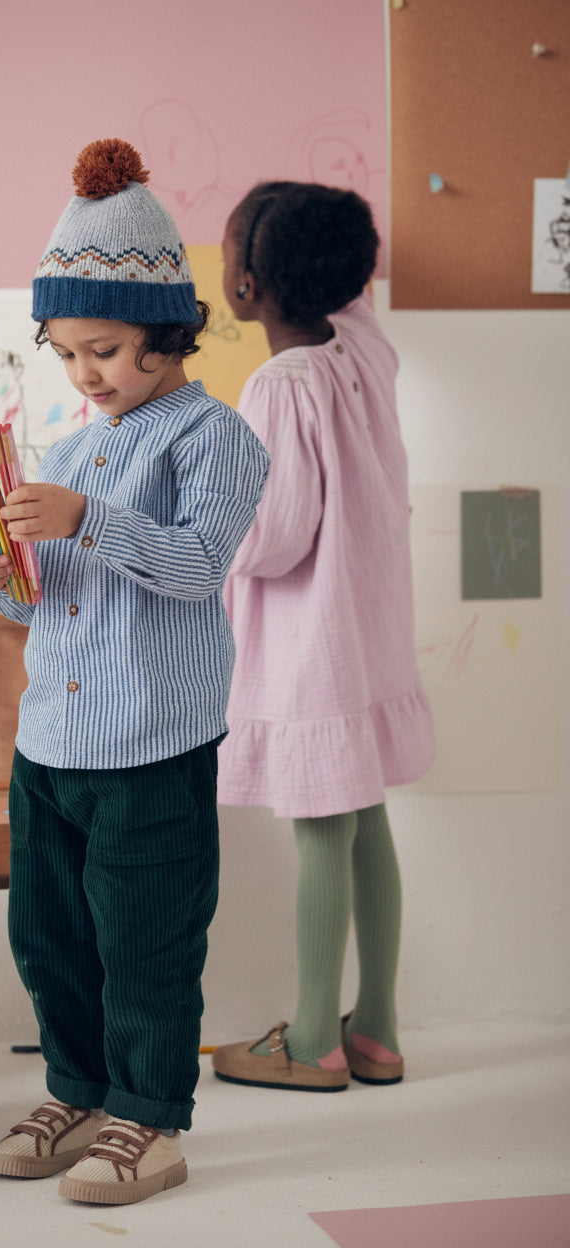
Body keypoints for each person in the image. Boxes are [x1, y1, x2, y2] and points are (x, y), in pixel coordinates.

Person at [0, 138, 269, 1204]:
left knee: (144, 942)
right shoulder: (68, 444)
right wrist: (4, 578)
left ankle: (150, 1119)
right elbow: (49, 602)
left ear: (164, 330)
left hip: (149, 748)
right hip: (47, 740)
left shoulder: (215, 439)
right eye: (64, 355)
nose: (82, 374)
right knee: (48, 937)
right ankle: (79, 1089)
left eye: (99, 349)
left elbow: (193, 570)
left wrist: (91, 519)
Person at [211, 182, 436, 1093]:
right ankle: (375, 1028)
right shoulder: (364, 346)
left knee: (319, 829)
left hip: (313, 645)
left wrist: (206, 517)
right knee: (364, 814)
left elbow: (273, 537)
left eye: (226, 253)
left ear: (249, 286)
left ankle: (312, 1039)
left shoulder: (278, 386)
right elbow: (349, 280)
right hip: (372, 630)